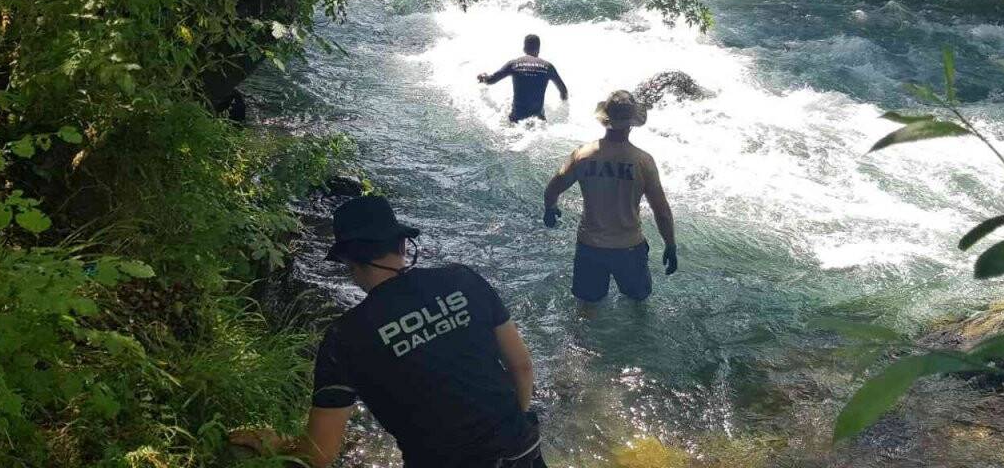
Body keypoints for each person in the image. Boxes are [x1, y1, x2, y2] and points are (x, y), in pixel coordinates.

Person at [230, 196, 546, 468]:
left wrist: (276, 444)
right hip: (523, 450)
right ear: (403, 244)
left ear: (348, 260)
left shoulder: (345, 338)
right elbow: (522, 366)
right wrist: (511, 429)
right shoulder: (464, 280)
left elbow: (319, 455)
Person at [542, 91, 677, 303]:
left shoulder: (583, 155)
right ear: (631, 125)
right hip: (629, 248)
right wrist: (670, 245)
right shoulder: (643, 161)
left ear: (605, 120)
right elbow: (662, 212)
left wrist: (550, 208)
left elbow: (552, 189)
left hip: (590, 246)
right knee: (638, 304)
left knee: (587, 307)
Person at [477, 34, 568, 123]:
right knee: (539, 120)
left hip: (517, 119)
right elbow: (563, 91)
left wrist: (483, 77)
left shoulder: (514, 64)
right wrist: (563, 111)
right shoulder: (548, 66)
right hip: (538, 121)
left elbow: (491, 80)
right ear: (539, 49)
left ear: (524, 48)